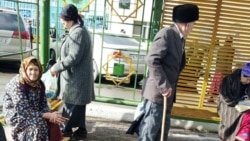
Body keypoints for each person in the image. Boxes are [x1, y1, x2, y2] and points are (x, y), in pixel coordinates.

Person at [138, 4, 199, 141]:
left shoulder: (179, 38)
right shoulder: (166, 34)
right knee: (150, 131)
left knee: (162, 132)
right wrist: (164, 85)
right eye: (193, 24)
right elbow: (152, 60)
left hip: (167, 95)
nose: (193, 28)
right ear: (187, 25)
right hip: (158, 93)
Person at [50, 4, 95, 140]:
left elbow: (73, 57)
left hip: (76, 81)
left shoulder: (78, 33)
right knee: (77, 107)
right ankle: (80, 131)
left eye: (62, 20)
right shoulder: (77, 31)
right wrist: (59, 64)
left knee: (70, 107)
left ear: (69, 19)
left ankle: (65, 132)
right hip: (76, 80)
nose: (61, 23)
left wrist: (56, 67)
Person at [3, 56, 67, 140]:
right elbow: (23, 111)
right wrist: (46, 115)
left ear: (40, 71)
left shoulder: (39, 84)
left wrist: (51, 115)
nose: (33, 73)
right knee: (38, 125)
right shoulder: (17, 84)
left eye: (36, 70)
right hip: (17, 115)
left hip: (34, 112)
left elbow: (43, 104)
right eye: (30, 69)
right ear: (25, 70)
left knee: (54, 122)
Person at [217, 62, 250, 141]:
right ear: (242, 74)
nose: (248, 82)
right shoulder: (229, 79)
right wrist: (239, 102)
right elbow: (225, 97)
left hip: (243, 108)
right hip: (228, 107)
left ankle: (241, 137)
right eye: (247, 79)